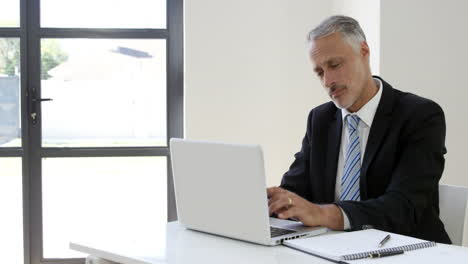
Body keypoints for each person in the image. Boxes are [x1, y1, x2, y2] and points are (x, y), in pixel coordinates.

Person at [267, 15, 451, 243]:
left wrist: (323, 214)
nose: (327, 81)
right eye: (319, 72)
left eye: (334, 65)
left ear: (364, 51)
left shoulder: (420, 115)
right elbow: (295, 192)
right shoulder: (320, 119)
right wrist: (271, 202)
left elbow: (403, 206)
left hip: (408, 249)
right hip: (333, 248)